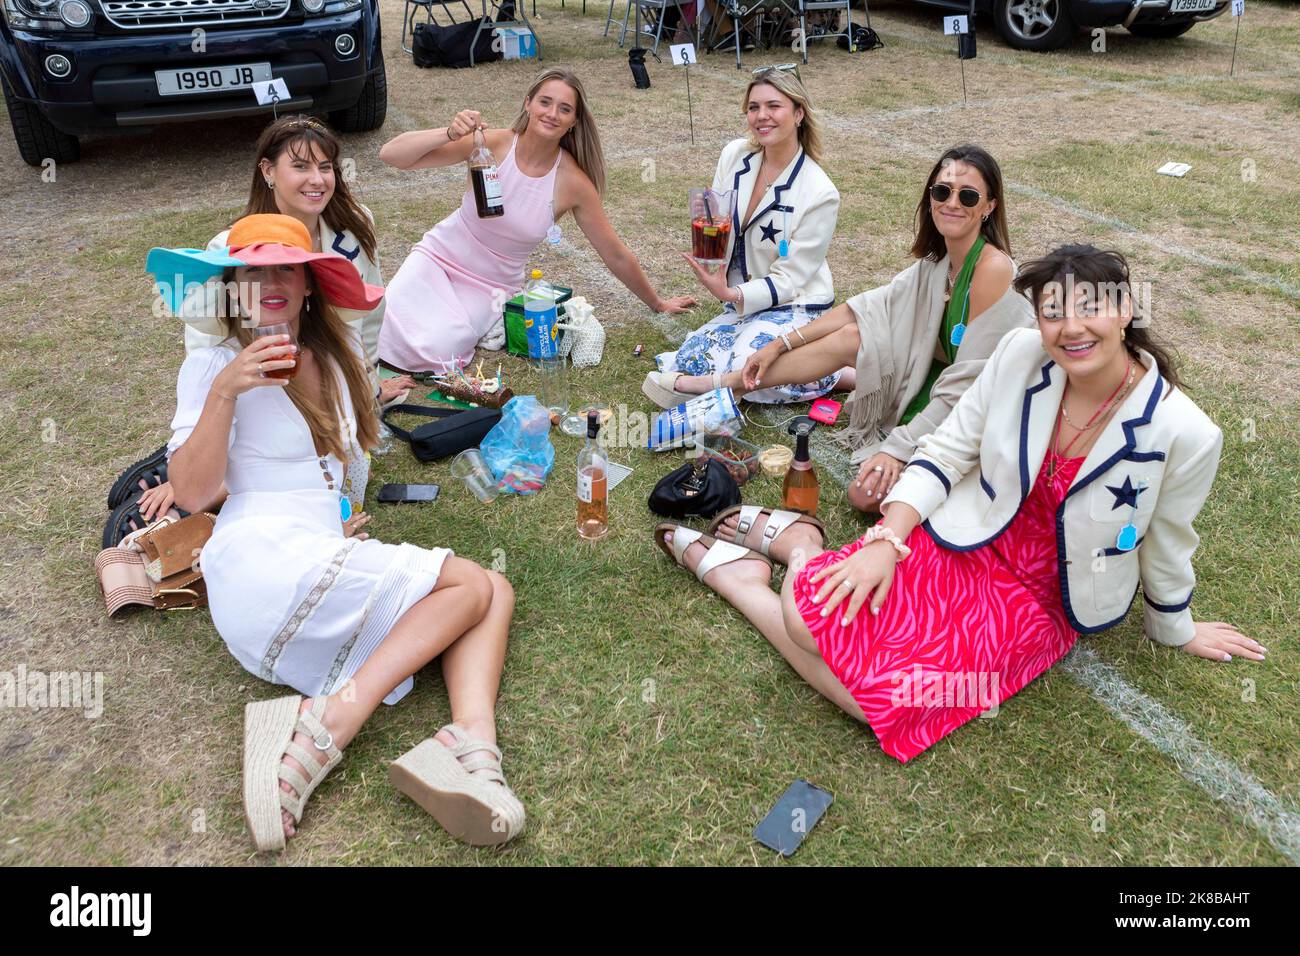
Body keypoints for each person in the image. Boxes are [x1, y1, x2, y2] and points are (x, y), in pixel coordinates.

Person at [653, 245, 1264, 764]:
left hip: (1040, 599)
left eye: (1090, 308)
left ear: (1127, 310)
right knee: (811, 622)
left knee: (885, 706)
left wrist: (1175, 627)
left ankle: (767, 563)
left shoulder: (1186, 432)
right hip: (960, 540)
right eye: (1053, 313)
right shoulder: (1022, 354)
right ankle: (797, 548)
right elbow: (946, 451)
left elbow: (1169, 538)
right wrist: (889, 541)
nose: (1070, 329)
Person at [154, 214, 524, 851]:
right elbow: (190, 494)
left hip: (315, 547)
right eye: (254, 271)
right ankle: (326, 725)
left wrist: (339, 520)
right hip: (259, 558)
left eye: (286, 270)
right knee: (468, 586)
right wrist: (225, 392)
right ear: (233, 286)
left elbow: (334, 472)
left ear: (307, 286)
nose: (270, 282)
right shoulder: (215, 365)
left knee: (498, 586)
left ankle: (473, 746)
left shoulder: (331, 357)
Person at [108, 115, 414, 539]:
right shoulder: (229, 246)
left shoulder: (354, 226)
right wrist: (214, 403)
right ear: (268, 172)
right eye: (301, 166)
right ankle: (181, 471)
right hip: (252, 385)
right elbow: (207, 343)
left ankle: (192, 474)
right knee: (255, 458)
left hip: (319, 373)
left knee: (344, 475)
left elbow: (367, 316)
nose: (317, 180)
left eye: (326, 167)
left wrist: (369, 386)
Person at [696, 145, 1034, 513]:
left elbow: (972, 385)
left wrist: (899, 447)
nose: (952, 202)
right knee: (855, 335)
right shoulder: (939, 264)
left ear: (989, 207)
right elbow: (862, 307)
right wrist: (779, 343)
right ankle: (730, 384)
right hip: (940, 385)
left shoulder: (992, 269)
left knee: (864, 495)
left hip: (987, 405)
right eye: (942, 191)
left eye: (967, 196)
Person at [376, 67, 695, 374]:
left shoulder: (573, 183)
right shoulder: (491, 143)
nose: (552, 113)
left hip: (491, 286)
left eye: (565, 109)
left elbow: (615, 254)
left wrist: (658, 302)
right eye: (545, 102)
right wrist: (448, 132)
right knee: (379, 320)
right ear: (528, 103)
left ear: (573, 122)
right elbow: (391, 155)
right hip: (438, 256)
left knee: (437, 349)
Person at [643, 67, 843, 408]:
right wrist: (710, 249)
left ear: (798, 113)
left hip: (797, 304)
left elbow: (791, 280)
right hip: (745, 304)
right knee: (691, 355)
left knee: (747, 362)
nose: (761, 116)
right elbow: (717, 221)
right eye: (753, 107)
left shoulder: (821, 192)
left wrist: (730, 292)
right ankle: (826, 366)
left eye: (773, 106)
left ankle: (833, 370)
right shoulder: (735, 155)